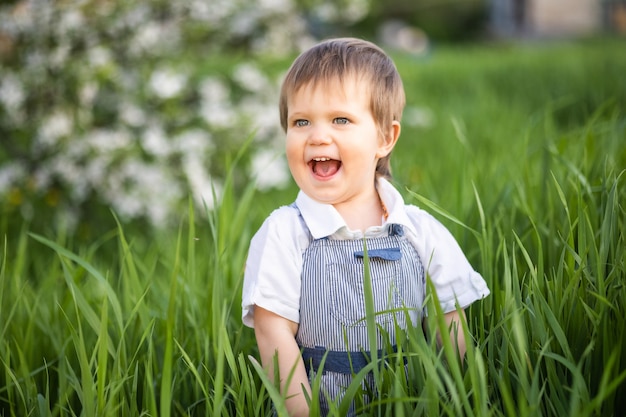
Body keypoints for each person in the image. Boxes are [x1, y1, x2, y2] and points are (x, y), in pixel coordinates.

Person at [242, 37, 490, 416]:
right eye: (301, 121)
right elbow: (273, 333)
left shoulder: (418, 231)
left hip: (411, 403)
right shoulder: (285, 233)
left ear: (385, 138)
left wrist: (456, 402)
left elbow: (449, 327)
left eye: (340, 119)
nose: (318, 135)